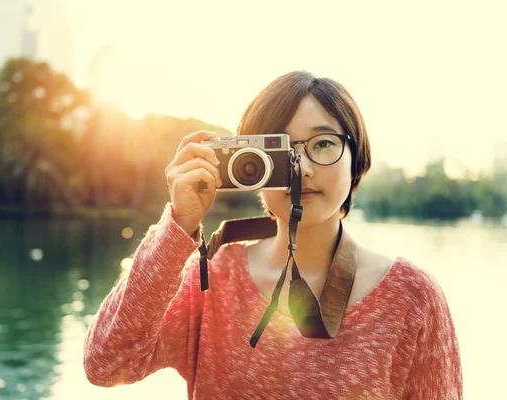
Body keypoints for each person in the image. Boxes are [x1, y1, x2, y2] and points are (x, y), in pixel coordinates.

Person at [83, 71, 463, 399]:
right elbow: (106, 363)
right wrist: (178, 227)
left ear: (357, 157)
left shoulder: (413, 298)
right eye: (281, 150)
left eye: (324, 144)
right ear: (249, 163)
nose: (303, 169)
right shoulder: (211, 280)